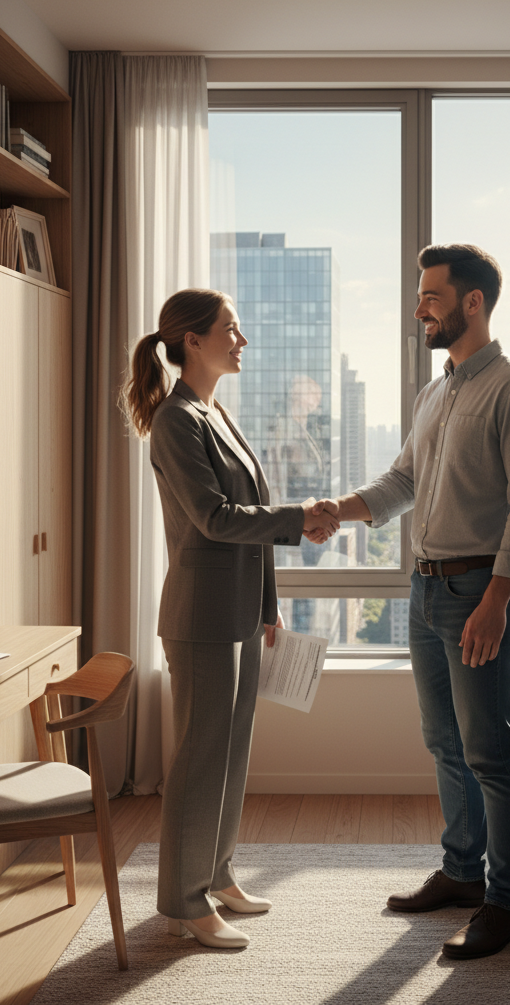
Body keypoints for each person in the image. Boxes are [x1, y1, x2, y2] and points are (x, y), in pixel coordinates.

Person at [313, 244, 510, 959]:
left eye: (431, 296)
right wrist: (340, 508)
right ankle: (462, 874)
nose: (419, 307)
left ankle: (508, 905)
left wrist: (496, 600)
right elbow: (401, 481)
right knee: (444, 742)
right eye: (420, 296)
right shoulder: (434, 392)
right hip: (422, 588)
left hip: (477, 593)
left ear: (472, 302)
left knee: (490, 751)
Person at [121, 288, 338, 949]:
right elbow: (215, 520)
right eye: (230, 329)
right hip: (201, 615)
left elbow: (252, 519)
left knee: (232, 751)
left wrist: (268, 606)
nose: (241, 340)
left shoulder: (216, 413)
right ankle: (183, 901)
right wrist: (302, 518)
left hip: (240, 613)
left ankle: (215, 874)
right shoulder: (176, 420)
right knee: (199, 757)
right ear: (192, 340)